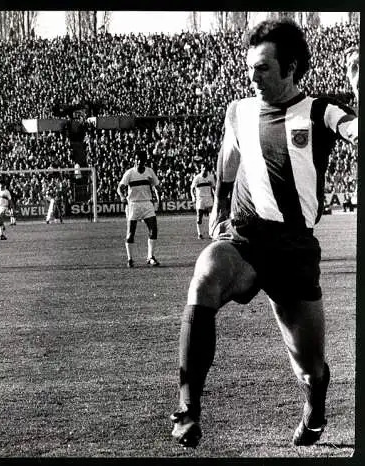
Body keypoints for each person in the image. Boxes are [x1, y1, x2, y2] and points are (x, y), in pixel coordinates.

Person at [171, 20, 359, 449]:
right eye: (250, 68)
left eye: (262, 69)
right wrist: (220, 210)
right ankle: (188, 409)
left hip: (294, 249)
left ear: (290, 68)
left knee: (309, 367)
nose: (251, 77)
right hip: (245, 237)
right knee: (205, 275)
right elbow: (228, 162)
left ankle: (314, 411)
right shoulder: (238, 111)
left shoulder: (320, 111)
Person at [117, 149, 160, 268]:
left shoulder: (150, 172)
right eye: (136, 160)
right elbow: (120, 187)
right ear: (134, 160)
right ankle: (130, 259)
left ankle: (150, 257)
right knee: (131, 233)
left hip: (147, 203)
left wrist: (158, 197)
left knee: (154, 230)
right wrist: (121, 196)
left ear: (144, 161)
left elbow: (157, 186)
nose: (138, 162)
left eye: (140, 160)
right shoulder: (129, 173)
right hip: (133, 204)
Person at [190, 163, 216, 239]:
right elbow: (191, 188)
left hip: (209, 198)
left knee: (212, 217)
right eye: (203, 167)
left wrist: (215, 197)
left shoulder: (211, 177)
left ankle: (211, 233)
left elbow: (214, 188)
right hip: (200, 199)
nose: (205, 168)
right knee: (199, 217)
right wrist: (193, 197)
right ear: (201, 168)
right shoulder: (197, 178)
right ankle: (200, 234)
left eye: (206, 167)